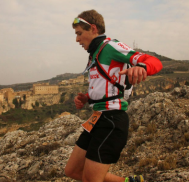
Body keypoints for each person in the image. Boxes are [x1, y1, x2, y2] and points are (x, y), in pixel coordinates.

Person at [64, 10, 163, 182]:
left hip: (111, 120)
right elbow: (109, 85)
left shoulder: (110, 47)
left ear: (93, 29)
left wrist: (143, 68)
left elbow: (155, 62)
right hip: (97, 118)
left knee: (90, 179)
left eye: (79, 33)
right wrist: (87, 97)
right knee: (72, 171)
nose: (77, 39)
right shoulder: (94, 55)